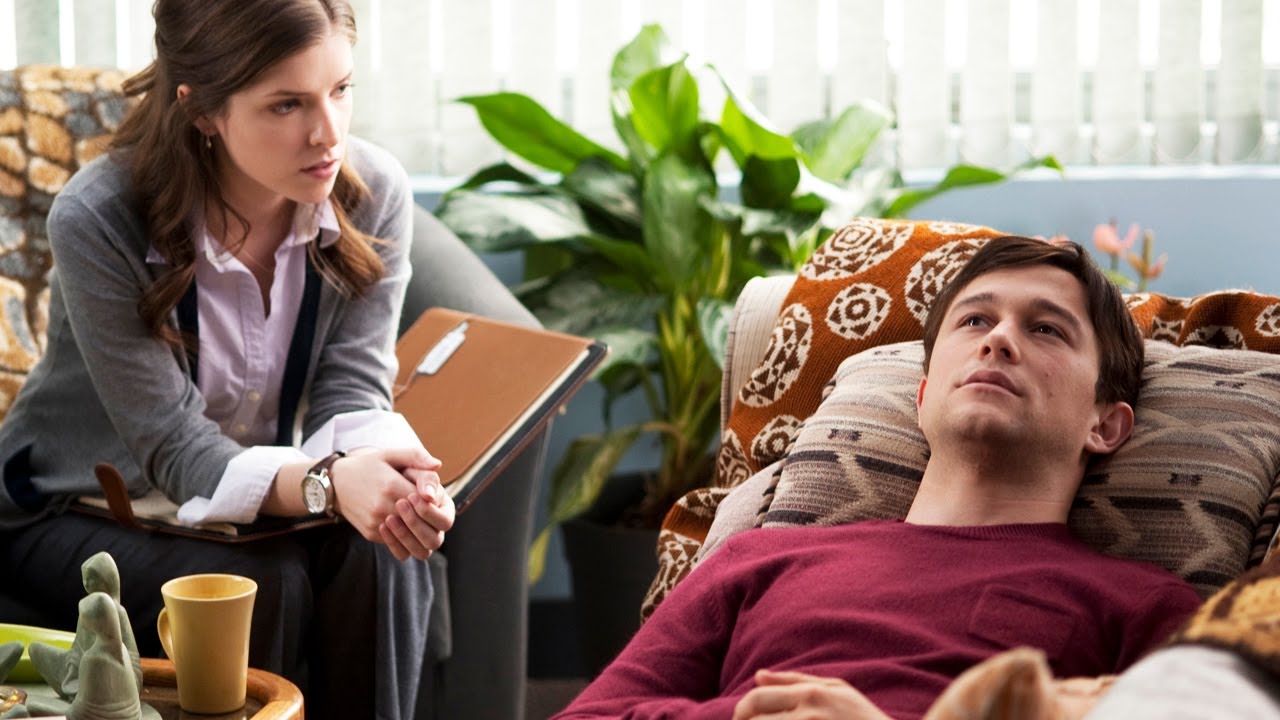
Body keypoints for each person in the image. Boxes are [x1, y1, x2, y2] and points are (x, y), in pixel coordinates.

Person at [0, 1, 451, 718]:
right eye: (286, 105)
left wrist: (395, 482)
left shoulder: (372, 195)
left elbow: (353, 388)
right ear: (202, 110)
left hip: (249, 507)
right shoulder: (99, 218)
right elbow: (175, 450)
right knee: (261, 584)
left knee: (381, 549)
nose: (328, 133)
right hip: (76, 509)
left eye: (340, 90)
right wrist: (329, 483)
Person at [553, 236, 1205, 720]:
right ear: (922, 398)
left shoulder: (1146, 607)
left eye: (1046, 329)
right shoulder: (759, 559)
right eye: (975, 320)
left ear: (1105, 424)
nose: (999, 340)